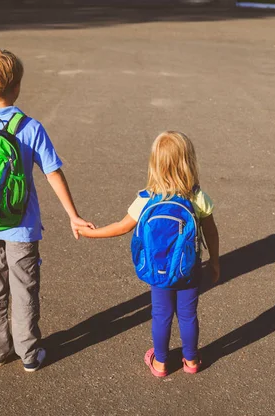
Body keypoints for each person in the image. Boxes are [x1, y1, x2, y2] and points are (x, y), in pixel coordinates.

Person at [0, 49, 93, 372]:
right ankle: (29, 353)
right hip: (22, 226)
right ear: (16, 86)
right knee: (24, 289)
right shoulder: (29, 128)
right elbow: (53, 172)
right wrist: (73, 215)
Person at [79, 131, 220, 376]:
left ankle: (161, 362)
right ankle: (191, 360)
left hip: (157, 269)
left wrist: (91, 232)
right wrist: (215, 261)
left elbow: (121, 227)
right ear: (189, 162)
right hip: (190, 269)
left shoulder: (146, 199)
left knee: (161, 314)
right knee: (188, 315)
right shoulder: (197, 197)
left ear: (154, 164)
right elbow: (211, 233)